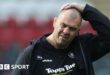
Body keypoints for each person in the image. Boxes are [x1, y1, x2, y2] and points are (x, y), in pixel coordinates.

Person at [12, 2, 110, 75]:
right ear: (55, 22)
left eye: (72, 29)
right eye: (63, 25)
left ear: (78, 31)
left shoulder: (83, 46)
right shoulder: (31, 54)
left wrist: (85, 9)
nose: (66, 31)